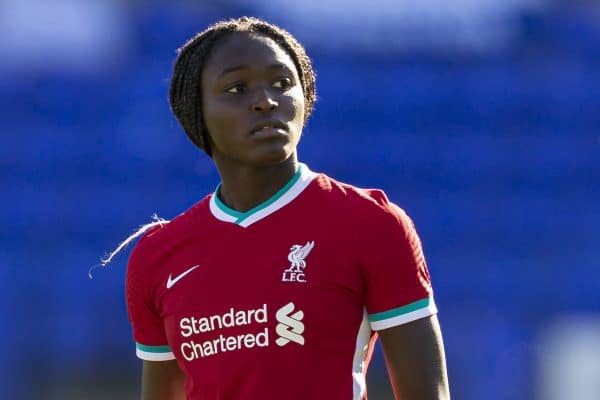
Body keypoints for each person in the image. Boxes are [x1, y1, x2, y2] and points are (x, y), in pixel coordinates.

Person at [118, 16, 450, 400]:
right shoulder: (158, 256)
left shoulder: (371, 223)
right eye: (237, 88)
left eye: (281, 83)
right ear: (197, 112)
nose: (265, 101)